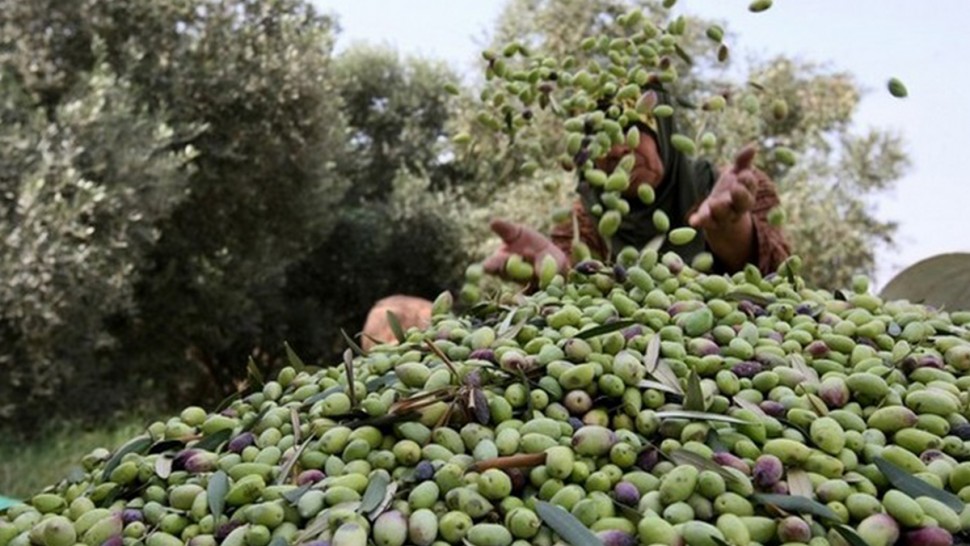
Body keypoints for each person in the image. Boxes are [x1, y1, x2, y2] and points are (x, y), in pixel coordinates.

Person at [483, 88, 791, 280]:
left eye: (631, 129)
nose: (618, 149)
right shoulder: (583, 220)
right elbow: (568, 285)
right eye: (601, 139)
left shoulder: (736, 190)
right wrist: (558, 273)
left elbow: (780, 279)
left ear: (664, 134)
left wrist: (733, 228)